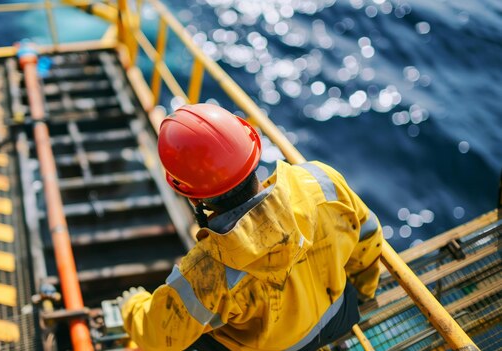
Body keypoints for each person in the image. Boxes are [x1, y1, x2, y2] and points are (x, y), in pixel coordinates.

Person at [118, 104, 383, 350]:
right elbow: (369, 236)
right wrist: (363, 294)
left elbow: (158, 337)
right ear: (252, 149)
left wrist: (131, 307)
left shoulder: (207, 273)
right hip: (339, 316)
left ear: (192, 195)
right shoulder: (320, 179)